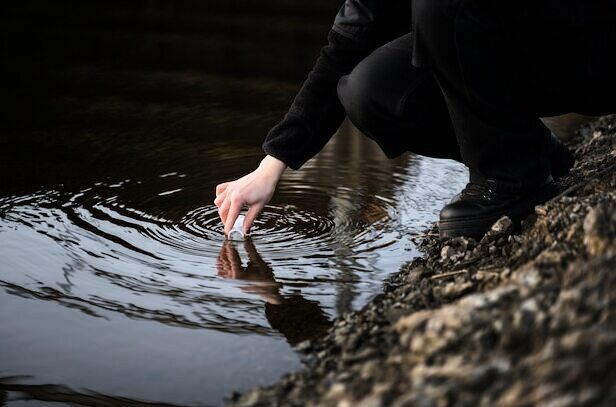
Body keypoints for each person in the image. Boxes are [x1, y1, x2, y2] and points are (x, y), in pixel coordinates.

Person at [215, 1, 616, 239]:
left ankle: (509, 179)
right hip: (521, 50)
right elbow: (351, 38)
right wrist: (272, 164)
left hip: (591, 48)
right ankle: (531, 152)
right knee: (371, 90)